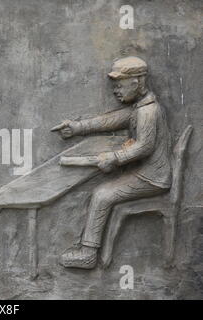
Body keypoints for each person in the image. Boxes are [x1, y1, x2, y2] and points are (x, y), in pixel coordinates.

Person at [54, 56, 171, 269]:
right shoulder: (139, 107)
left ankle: (88, 254)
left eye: (119, 84)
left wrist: (114, 158)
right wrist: (78, 127)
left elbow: (144, 146)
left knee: (102, 194)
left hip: (152, 177)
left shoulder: (148, 111)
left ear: (136, 82)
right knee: (102, 192)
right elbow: (110, 120)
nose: (115, 90)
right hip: (143, 173)